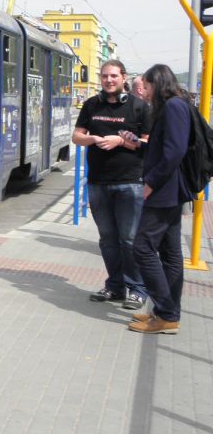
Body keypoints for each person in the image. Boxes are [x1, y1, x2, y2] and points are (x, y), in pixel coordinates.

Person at [72, 59, 152, 310]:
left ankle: (137, 289)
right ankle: (115, 286)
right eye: (105, 76)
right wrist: (92, 138)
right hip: (98, 183)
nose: (109, 80)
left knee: (129, 239)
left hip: (130, 183)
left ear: (123, 77)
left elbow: (148, 144)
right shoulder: (91, 104)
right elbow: (76, 136)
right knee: (107, 239)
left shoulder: (140, 107)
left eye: (114, 76)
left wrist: (121, 142)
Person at [124, 64, 192, 334]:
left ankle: (166, 312)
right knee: (170, 252)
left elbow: (175, 151)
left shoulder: (174, 107)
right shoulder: (175, 106)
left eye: (148, 86)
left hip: (164, 190)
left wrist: (151, 182)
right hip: (169, 190)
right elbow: (165, 146)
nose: (145, 91)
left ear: (158, 83)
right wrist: (139, 143)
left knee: (142, 248)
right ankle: (167, 312)